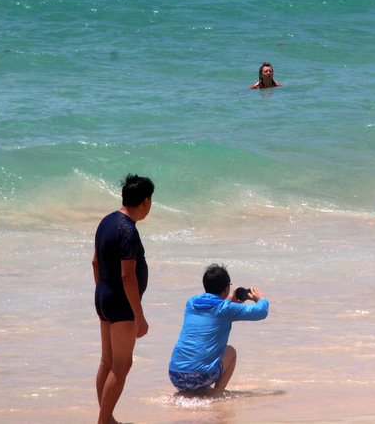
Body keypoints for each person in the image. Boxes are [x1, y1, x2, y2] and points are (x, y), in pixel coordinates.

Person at [92, 174, 155, 424]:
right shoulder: (128, 230)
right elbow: (128, 276)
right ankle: (104, 421)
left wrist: (102, 293)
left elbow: (95, 262)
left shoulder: (106, 221)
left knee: (107, 362)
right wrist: (139, 316)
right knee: (121, 365)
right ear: (146, 202)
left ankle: (107, 419)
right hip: (121, 304)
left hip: (103, 297)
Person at [169, 264, 269, 396]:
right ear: (226, 288)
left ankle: (194, 392)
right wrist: (260, 298)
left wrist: (232, 300)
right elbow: (261, 312)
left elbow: (213, 304)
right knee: (231, 351)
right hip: (201, 376)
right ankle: (216, 393)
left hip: (176, 375)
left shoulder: (191, 303)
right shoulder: (225, 309)